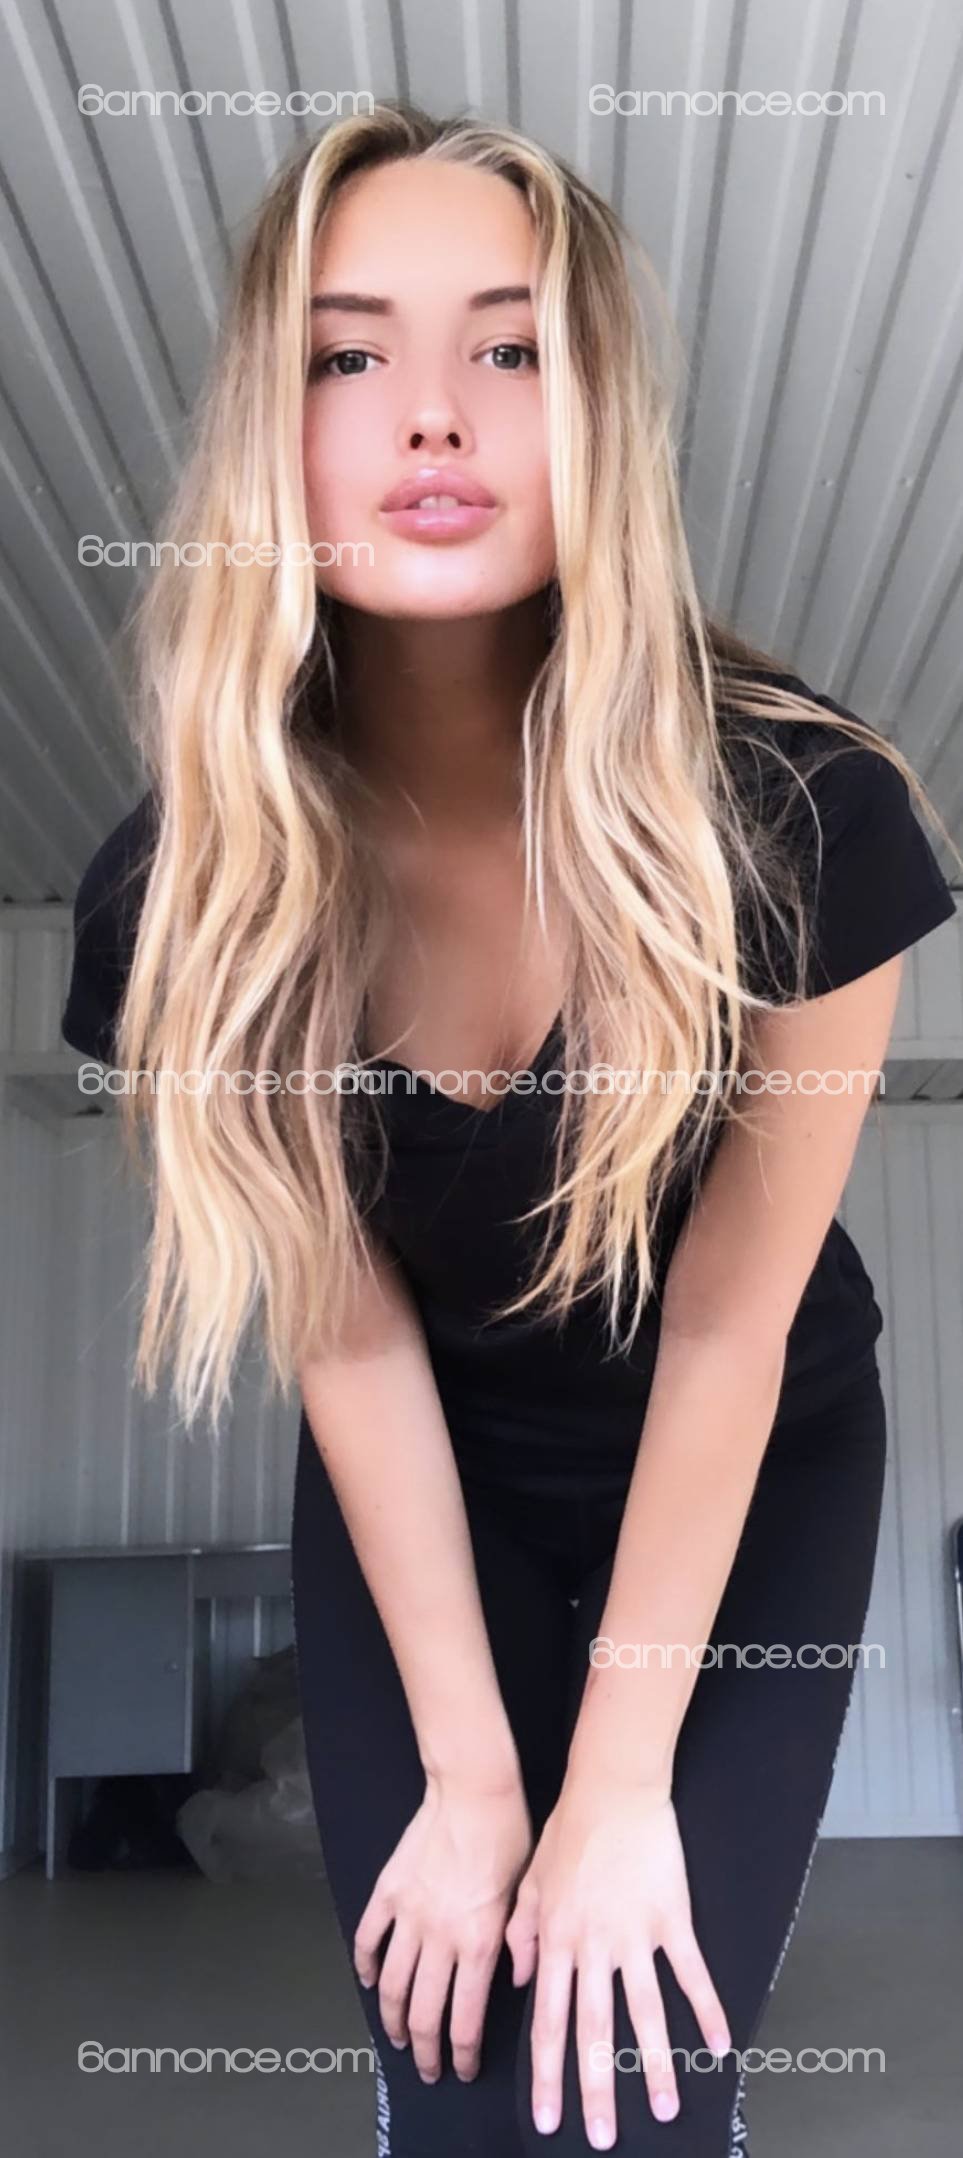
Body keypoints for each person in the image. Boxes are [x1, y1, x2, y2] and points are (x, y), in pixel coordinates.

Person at [61, 102, 959, 2158]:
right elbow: (346, 1331)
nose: (431, 412)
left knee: (631, 2078)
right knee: (461, 2075)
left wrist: (617, 1784)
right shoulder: (179, 898)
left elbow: (728, 1323)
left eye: (511, 343)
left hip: (748, 1451)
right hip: (424, 1463)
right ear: (268, 429)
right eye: (346, 352)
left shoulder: (805, 816)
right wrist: (477, 1780)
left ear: (601, 413)